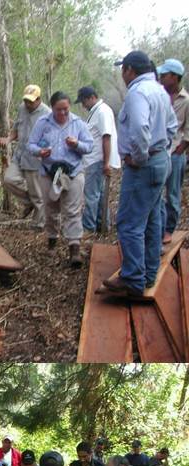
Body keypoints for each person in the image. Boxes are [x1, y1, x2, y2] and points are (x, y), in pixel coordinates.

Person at [101, 50, 178, 299]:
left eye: (123, 70)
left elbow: (139, 128)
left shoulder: (137, 93)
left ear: (130, 70)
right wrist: (158, 151)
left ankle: (133, 278)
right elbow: (172, 127)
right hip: (161, 160)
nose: (122, 74)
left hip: (143, 167)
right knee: (153, 218)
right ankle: (148, 274)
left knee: (129, 222)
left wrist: (139, 157)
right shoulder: (159, 91)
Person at [26, 91, 95, 267]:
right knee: (51, 209)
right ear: (52, 108)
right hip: (49, 172)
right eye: (58, 110)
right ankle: (52, 239)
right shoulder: (43, 123)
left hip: (73, 171)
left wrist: (77, 145)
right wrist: (40, 152)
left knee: (72, 210)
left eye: (66, 109)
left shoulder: (78, 123)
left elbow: (89, 145)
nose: (62, 113)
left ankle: (74, 249)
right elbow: (31, 144)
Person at [0, 84, 51, 229]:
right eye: (26, 100)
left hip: (35, 159)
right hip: (20, 154)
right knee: (9, 179)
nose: (28, 104)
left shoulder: (47, 114)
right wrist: (8, 139)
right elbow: (16, 128)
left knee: (37, 194)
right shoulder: (22, 108)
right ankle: (29, 203)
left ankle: (38, 224)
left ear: (39, 99)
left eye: (31, 101)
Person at [75, 86, 121, 233]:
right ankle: (103, 224)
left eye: (83, 101)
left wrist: (106, 163)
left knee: (91, 196)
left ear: (91, 97)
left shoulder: (102, 111)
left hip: (97, 159)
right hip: (94, 159)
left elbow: (106, 136)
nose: (83, 105)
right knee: (99, 194)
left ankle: (89, 227)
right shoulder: (97, 111)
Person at [158, 58, 188, 243]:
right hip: (160, 152)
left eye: (165, 74)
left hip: (176, 153)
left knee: (173, 194)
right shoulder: (159, 94)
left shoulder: (186, 100)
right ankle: (158, 228)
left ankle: (169, 229)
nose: (161, 77)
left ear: (175, 77)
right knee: (157, 193)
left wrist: (180, 149)